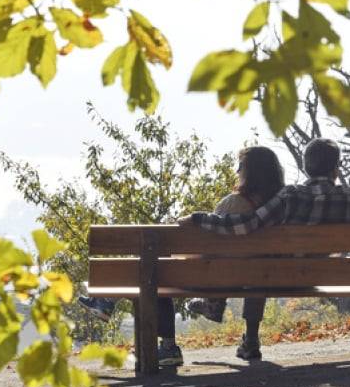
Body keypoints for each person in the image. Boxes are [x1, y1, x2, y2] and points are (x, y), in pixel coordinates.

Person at [78, 146, 286, 366]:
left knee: (157, 270)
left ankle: (161, 341)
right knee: (160, 268)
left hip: (210, 276)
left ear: (251, 172)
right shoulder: (280, 207)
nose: (236, 171)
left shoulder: (233, 204)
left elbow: (206, 242)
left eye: (240, 166)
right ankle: (108, 303)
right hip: (260, 276)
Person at [178, 138, 350, 360]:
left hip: (277, 276)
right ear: (336, 168)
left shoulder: (291, 196)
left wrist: (197, 218)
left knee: (260, 266)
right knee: (261, 266)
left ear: (306, 166)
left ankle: (249, 339)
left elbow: (246, 225)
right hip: (316, 278)